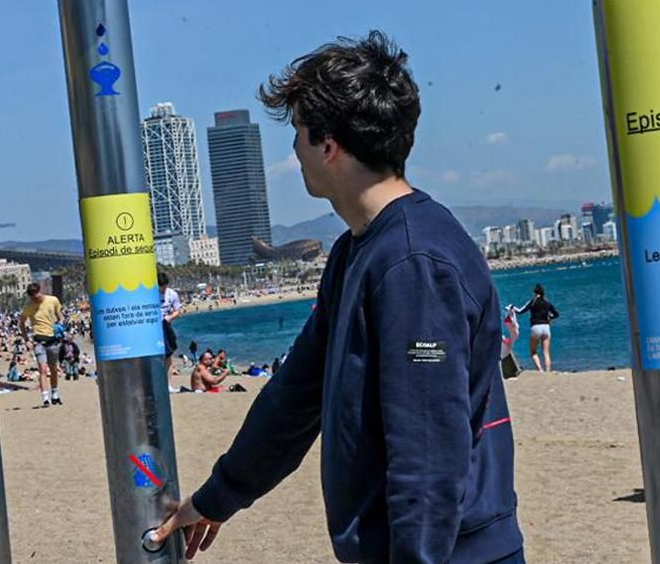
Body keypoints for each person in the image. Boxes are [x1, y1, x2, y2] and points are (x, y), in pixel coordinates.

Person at [152, 31, 523, 563]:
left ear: (329, 146)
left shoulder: (414, 263)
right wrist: (219, 496)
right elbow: (296, 394)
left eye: (299, 133)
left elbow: (428, 449)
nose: (294, 151)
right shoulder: (357, 251)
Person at [19, 283, 65, 407]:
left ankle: (55, 395)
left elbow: (60, 316)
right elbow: (21, 322)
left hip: (53, 339)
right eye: (33, 298)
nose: (36, 299)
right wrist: (26, 339)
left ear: (40, 291)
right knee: (43, 369)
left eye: (37, 296)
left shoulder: (53, 300)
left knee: (54, 369)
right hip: (38, 341)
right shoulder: (29, 306)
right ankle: (45, 397)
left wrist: (60, 326)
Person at [514, 284, 560, 373]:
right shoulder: (547, 303)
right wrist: (550, 317)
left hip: (536, 327)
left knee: (533, 352)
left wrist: (512, 308)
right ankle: (548, 371)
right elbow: (556, 314)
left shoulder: (532, 302)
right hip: (546, 327)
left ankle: (540, 370)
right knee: (546, 352)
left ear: (535, 293)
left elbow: (520, 311)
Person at [159, 271, 183, 381]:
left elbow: (178, 311)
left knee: (169, 354)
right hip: (154, 324)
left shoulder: (172, 294)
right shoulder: (150, 292)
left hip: (165, 323)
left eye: (164, 286)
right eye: (160, 286)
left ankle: (168, 383)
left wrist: (169, 317)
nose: (163, 289)